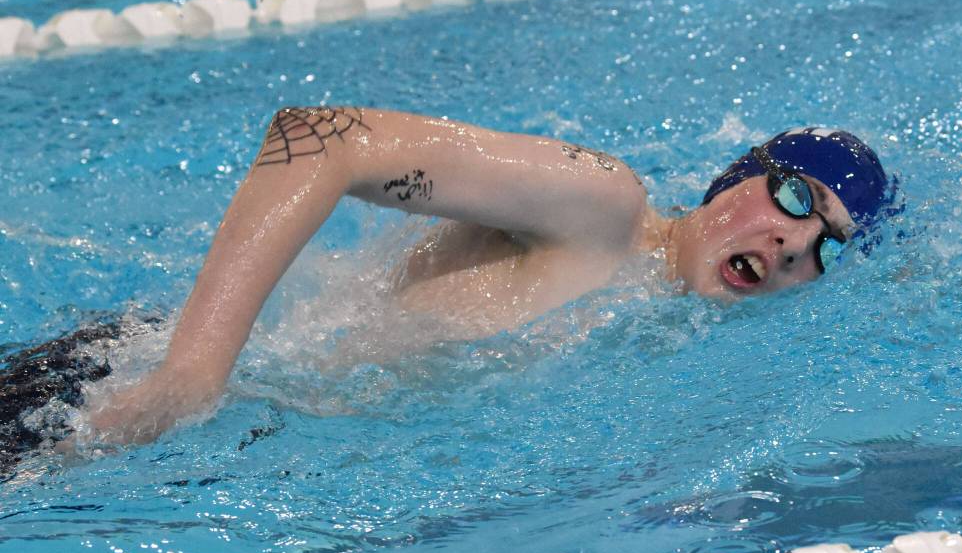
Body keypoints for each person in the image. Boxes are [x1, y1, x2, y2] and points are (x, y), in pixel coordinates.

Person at [3, 107, 891, 459]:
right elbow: (321, 137)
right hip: (118, 383)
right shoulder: (604, 209)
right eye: (790, 197)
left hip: (231, 433)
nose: (789, 244)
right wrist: (191, 374)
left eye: (828, 248)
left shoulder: (664, 333)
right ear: (737, 175)